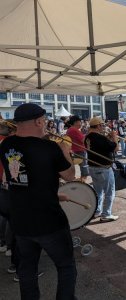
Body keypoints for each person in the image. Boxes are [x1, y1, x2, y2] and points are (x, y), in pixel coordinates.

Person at [0, 103, 77, 299]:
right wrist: (65, 150)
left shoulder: (6, 145)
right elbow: (69, 176)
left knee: (27, 269)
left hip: (21, 220)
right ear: (38, 121)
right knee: (66, 266)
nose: (45, 125)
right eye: (44, 121)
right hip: (49, 220)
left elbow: (25, 179)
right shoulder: (50, 147)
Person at [85, 116, 119, 222]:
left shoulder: (88, 137)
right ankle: (106, 214)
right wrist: (114, 138)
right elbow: (115, 148)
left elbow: (102, 148)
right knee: (109, 192)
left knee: (98, 191)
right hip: (103, 168)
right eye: (102, 125)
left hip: (92, 167)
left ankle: (97, 211)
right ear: (98, 126)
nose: (103, 127)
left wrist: (108, 138)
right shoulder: (99, 137)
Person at [66, 115, 89, 182]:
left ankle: (82, 180)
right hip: (80, 150)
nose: (81, 123)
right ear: (76, 122)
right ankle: (83, 182)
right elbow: (83, 140)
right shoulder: (74, 130)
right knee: (84, 167)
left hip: (76, 150)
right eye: (80, 121)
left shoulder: (71, 129)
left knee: (82, 166)